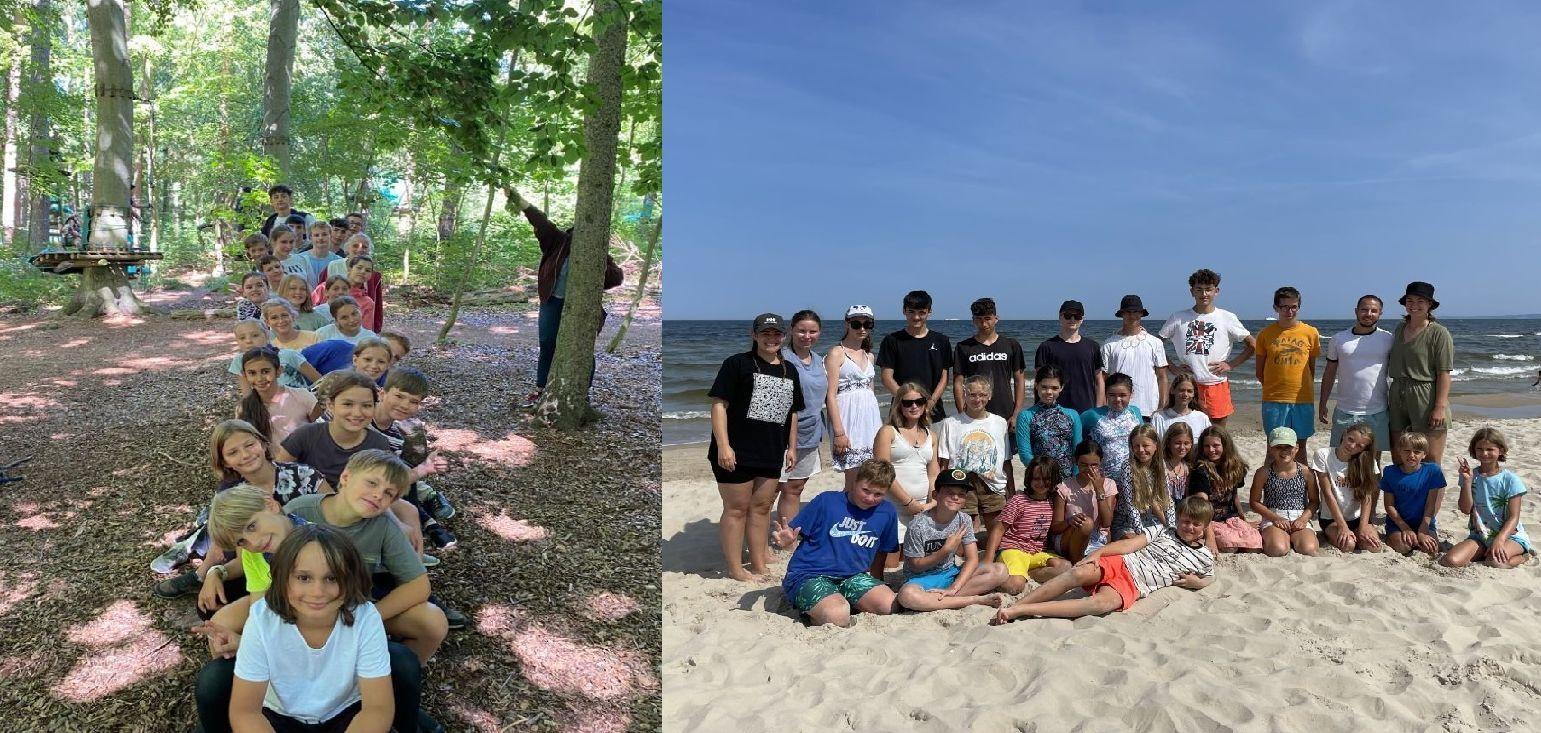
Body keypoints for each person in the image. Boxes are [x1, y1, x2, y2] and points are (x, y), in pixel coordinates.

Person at [194, 524, 422, 733]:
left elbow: (377, 708)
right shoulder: (262, 618)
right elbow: (246, 711)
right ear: (283, 579)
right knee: (213, 680)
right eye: (303, 578)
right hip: (278, 715)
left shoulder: (365, 617)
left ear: (351, 579)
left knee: (402, 662)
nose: (317, 592)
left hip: (345, 712)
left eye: (332, 578)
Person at [279, 450, 451, 658]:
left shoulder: (384, 527)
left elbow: (419, 585)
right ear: (346, 477)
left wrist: (368, 618)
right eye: (372, 483)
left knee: (432, 622)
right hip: (304, 605)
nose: (379, 494)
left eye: (389, 493)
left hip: (354, 609)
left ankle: (398, 675)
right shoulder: (300, 511)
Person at [991, 495, 1216, 624]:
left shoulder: (1204, 556)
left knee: (1099, 604)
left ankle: (1024, 611)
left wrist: (1197, 582)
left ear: (1205, 528)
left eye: (1196, 525)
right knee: (1078, 572)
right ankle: (1019, 605)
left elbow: (1210, 578)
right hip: (1123, 562)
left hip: (1135, 585)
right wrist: (1097, 553)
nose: (1190, 527)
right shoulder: (1162, 530)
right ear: (1178, 519)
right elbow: (1129, 545)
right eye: (1185, 521)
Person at [708, 314, 803, 582]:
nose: (771, 338)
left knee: (761, 508)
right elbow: (718, 405)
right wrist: (723, 446)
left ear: (784, 336)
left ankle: (759, 563)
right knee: (736, 508)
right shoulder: (737, 364)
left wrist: (791, 448)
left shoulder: (789, 369)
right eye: (765, 333)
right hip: (735, 451)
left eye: (776, 334)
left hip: (771, 450)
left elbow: (792, 413)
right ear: (754, 335)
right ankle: (736, 568)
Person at [508, 191, 625, 406]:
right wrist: (518, 200)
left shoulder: (597, 252)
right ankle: (541, 389)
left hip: (582, 307)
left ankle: (582, 393)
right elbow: (540, 221)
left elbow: (617, 278)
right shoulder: (557, 242)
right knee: (547, 344)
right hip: (553, 301)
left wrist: (597, 266)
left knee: (581, 347)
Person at [771, 460, 900, 627]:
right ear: (854, 482)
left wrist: (877, 582)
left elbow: (882, 551)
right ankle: (814, 607)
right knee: (838, 615)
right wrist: (787, 541)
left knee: (888, 605)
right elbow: (794, 533)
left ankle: (837, 599)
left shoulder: (887, 511)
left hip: (853, 577)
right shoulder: (827, 501)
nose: (870, 498)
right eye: (865, 490)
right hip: (809, 575)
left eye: (878, 494)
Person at [895, 469, 1009, 613]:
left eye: (961, 494)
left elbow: (972, 559)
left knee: (1000, 570)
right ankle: (972, 599)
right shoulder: (917, 525)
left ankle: (943, 598)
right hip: (921, 578)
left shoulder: (964, 519)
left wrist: (955, 586)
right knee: (907, 596)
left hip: (950, 573)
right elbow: (916, 565)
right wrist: (945, 550)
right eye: (949, 492)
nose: (955, 497)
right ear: (936, 495)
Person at [1159, 269, 1255, 426]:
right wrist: (1173, 368)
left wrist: (1231, 364)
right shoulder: (1178, 317)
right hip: (1187, 385)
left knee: (1217, 432)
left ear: (1216, 291)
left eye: (1208, 289)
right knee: (1185, 430)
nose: (1204, 294)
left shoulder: (1227, 317)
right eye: (1199, 289)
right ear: (1192, 291)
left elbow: (1253, 344)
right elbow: (1156, 346)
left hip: (1216, 383)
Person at [953, 297, 1026, 490]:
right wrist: (962, 413)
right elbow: (958, 382)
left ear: (996, 318)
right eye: (979, 319)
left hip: (1004, 412)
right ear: (973, 320)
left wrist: (1016, 413)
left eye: (988, 318)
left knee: (1005, 460)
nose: (984, 324)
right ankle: (974, 507)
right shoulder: (964, 347)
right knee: (974, 459)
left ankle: (1010, 501)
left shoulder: (1011, 345)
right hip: (974, 413)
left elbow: (1019, 379)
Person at [1441, 427, 1531, 568]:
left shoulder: (1510, 479)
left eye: (1490, 449)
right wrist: (1467, 482)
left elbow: (1514, 517)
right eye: (1480, 449)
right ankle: (1484, 552)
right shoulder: (1471, 475)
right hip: (1480, 536)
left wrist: (1500, 540)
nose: (1484, 453)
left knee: (1495, 562)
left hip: (1509, 536)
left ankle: (1524, 557)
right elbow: (1465, 509)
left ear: (1500, 450)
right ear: (1474, 450)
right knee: (1450, 561)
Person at [1318, 295, 1393, 458]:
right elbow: (1329, 373)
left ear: (1380, 313)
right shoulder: (1339, 339)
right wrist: (1322, 402)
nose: (1369, 313)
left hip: (1377, 411)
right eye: (1364, 309)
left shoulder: (1388, 339)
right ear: (1356, 311)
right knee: (1341, 459)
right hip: (1345, 410)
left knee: (1373, 463)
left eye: (1374, 310)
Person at [1387, 282, 1455, 463]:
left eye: (1420, 301)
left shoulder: (1439, 333)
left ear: (1429, 304)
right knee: (1399, 456)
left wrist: (1439, 407)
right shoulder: (1400, 328)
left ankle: (1433, 492)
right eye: (1410, 300)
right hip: (1397, 393)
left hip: (1426, 395)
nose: (1414, 305)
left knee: (1430, 459)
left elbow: (1444, 373)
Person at [981, 456, 1070, 593]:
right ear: (1029, 478)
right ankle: (1011, 578)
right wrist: (988, 558)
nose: (1041, 483)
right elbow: (998, 530)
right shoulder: (1018, 500)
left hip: (1036, 553)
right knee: (1015, 586)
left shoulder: (1053, 502)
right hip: (1013, 549)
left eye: (1046, 479)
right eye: (1036, 478)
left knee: (1065, 567)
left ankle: (1028, 574)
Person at [873, 382, 940, 559]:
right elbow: (882, 474)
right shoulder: (888, 432)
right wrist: (908, 502)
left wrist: (933, 501)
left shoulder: (931, 435)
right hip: (893, 506)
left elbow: (933, 473)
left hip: (922, 508)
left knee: (916, 560)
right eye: (907, 403)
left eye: (919, 401)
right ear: (898, 405)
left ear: (925, 404)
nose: (914, 406)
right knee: (890, 563)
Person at [937, 375, 1010, 534]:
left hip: (992, 483)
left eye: (982, 395)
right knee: (963, 534)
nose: (977, 399)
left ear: (989, 396)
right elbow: (943, 461)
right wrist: (939, 490)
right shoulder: (951, 423)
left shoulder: (1000, 422)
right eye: (972, 394)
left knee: (996, 533)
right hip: (961, 482)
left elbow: (1005, 460)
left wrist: (1010, 490)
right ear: (964, 395)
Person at [1255, 286, 1320, 455]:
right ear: (1276, 308)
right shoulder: (1265, 334)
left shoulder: (1310, 333)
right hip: (1274, 400)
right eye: (1284, 307)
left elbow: (1311, 368)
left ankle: (1303, 482)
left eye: (1293, 307)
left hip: (1302, 399)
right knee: (1274, 449)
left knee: (1300, 448)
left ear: (1298, 307)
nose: (1289, 311)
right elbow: (1259, 372)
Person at [777, 311, 827, 524]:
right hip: (782, 436)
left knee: (795, 487)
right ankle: (757, 540)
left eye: (812, 331)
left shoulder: (819, 361)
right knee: (771, 490)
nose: (807, 336)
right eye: (801, 330)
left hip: (810, 433)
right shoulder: (781, 357)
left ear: (819, 333)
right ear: (791, 330)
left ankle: (787, 535)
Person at [825, 306, 883, 487]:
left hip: (870, 417)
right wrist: (839, 432)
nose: (862, 329)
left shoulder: (869, 356)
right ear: (847, 324)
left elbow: (870, 392)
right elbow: (831, 396)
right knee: (853, 474)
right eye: (857, 324)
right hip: (848, 417)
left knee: (870, 472)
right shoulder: (837, 353)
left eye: (868, 324)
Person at [877, 290, 952, 423]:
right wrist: (908, 401)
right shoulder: (892, 340)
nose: (916, 317)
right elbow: (886, 377)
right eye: (911, 312)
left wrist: (930, 403)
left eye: (922, 312)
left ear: (929, 312)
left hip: (933, 409)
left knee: (935, 443)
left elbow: (944, 378)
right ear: (904, 311)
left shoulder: (942, 341)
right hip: (901, 409)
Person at [1188, 426, 1263, 553]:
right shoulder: (1200, 470)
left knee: (1255, 546)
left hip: (1230, 517)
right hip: (1210, 519)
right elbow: (1201, 505)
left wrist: (1243, 521)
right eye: (1206, 446)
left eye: (1216, 445)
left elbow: (1234, 496)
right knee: (1230, 547)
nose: (1211, 450)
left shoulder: (1234, 467)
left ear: (1225, 446)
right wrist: (1209, 536)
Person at [1311, 422, 1383, 553]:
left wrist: (1363, 526)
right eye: (1351, 439)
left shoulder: (1367, 461)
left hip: (1357, 517)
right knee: (1348, 545)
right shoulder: (1323, 455)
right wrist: (1343, 526)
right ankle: (1331, 533)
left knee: (1373, 547)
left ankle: (1358, 530)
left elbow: (1367, 496)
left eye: (1359, 446)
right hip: (1331, 518)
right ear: (1344, 434)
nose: (1351, 446)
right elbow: (1328, 493)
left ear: (1364, 449)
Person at [1249, 427, 1320, 557]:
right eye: (1278, 447)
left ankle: (1294, 538)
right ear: (1270, 449)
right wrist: (1275, 518)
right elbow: (1254, 502)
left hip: (1299, 515)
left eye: (1288, 446)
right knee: (1277, 549)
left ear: (1296, 448)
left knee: (1309, 549)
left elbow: (1315, 501)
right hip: (1274, 514)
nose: (1284, 451)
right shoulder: (1263, 473)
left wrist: (1303, 519)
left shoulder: (1306, 472)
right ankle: (1280, 537)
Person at [236, 348, 323, 453]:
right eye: (252, 373)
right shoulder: (244, 407)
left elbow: (322, 432)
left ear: (278, 371)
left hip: (308, 461)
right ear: (244, 375)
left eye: (265, 371)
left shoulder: (302, 396)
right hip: (272, 465)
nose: (259, 379)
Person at [1101, 295, 1168, 419]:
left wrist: (1162, 407)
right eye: (1127, 312)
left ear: (1141, 314)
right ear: (1122, 314)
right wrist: (1103, 405)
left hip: (1149, 409)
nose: (1132, 315)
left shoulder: (1155, 342)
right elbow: (1103, 378)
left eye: (1136, 311)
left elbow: (1162, 377)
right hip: (1117, 408)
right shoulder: (1109, 344)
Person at [1380, 431, 1445, 557]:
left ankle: (1422, 534)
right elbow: (1389, 506)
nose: (1411, 455)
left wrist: (1423, 530)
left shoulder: (1433, 471)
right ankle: (1391, 538)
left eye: (1417, 452)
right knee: (1403, 547)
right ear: (1399, 451)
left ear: (1424, 454)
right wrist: (1404, 527)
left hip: (1424, 522)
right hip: (1398, 523)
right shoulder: (1390, 472)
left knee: (1431, 549)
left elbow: (1430, 506)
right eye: (1406, 451)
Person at [1015, 364, 1083, 483]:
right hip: (1040, 481)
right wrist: (1044, 476)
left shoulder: (1072, 415)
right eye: (1044, 387)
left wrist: (1076, 479)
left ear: (1061, 388)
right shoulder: (1026, 416)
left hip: (1068, 481)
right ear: (1036, 385)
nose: (1049, 392)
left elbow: (1078, 451)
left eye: (1054, 388)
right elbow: (1025, 454)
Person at [1034, 299, 1103, 414]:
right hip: (1054, 410)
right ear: (1060, 317)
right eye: (1068, 315)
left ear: (1082, 319)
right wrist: (1039, 409)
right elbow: (1039, 382)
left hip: (1087, 410)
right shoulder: (1046, 347)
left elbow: (1099, 380)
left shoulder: (1093, 346)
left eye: (1077, 316)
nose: (1072, 319)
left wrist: (1099, 409)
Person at [1053, 440, 1117, 562]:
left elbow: (1106, 523)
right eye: (1084, 465)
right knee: (1086, 523)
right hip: (1069, 538)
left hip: (1097, 539)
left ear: (1100, 462)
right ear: (1076, 462)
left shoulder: (1109, 485)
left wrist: (1099, 490)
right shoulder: (1064, 487)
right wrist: (1070, 521)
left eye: (1094, 465)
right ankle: (1077, 563)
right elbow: (1055, 527)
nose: (1089, 469)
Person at [1110, 424, 1174, 541]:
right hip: (1127, 523)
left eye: (1145, 445)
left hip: (1150, 519)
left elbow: (1167, 499)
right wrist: (1141, 534)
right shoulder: (1128, 467)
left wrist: (1172, 527)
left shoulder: (1161, 465)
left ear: (1156, 446)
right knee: (1137, 544)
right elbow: (1131, 506)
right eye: (1136, 446)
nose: (1140, 450)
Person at [1080, 372, 1143, 488]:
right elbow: (1078, 445)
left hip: (1134, 478)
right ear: (1106, 394)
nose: (1117, 399)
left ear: (1131, 394)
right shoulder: (1091, 415)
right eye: (1112, 395)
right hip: (1103, 481)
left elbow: (1143, 441)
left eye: (1123, 395)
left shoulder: (1136, 412)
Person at [229, 323, 319, 391]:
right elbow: (247, 392)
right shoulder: (239, 361)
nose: (248, 341)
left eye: (255, 335)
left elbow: (319, 380)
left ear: (266, 335)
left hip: (300, 402)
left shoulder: (288, 355)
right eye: (242, 338)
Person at [1150, 374, 1211, 440]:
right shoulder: (1159, 418)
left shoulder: (1202, 418)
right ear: (1172, 390)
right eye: (1181, 390)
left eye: (1189, 391)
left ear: (1194, 394)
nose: (1185, 394)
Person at [315, 296, 379, 344]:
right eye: (344, 317)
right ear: (336, 320)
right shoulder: (323, 334)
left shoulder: (371, 338)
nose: (351, 320)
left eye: (354, 314)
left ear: (360, 311)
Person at [1162, 422, 1195, 504]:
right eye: (1177, 443)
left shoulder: (1188, 467)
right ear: (1169, 443)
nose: (1182, 447)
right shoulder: (1161, 466)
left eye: (1186, 443)